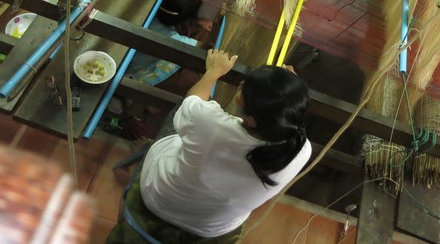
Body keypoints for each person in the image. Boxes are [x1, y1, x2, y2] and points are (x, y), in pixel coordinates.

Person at [106, 53, 311, 243]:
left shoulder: (212, 126)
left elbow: (193, 99)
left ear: (251, 120)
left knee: (188, 108)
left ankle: (149, 149)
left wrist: (214, 72)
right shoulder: (302, 150)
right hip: (213, 228)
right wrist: (286, 92)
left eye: (243, 88)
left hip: (158, 199)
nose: (240, 84)